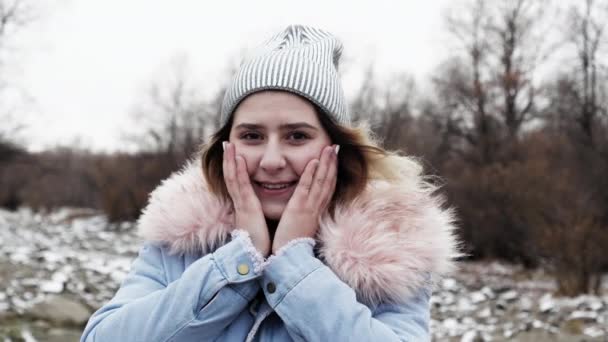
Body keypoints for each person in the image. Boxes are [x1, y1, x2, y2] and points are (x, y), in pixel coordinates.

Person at [81, 24, 460, 342]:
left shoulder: (388, 250)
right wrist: (237, 263)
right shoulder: (182, 238)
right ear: (227, 147)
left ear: (336, 148)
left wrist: (294, 264)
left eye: (297, 136)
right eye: (252, 136)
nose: (272, 161)